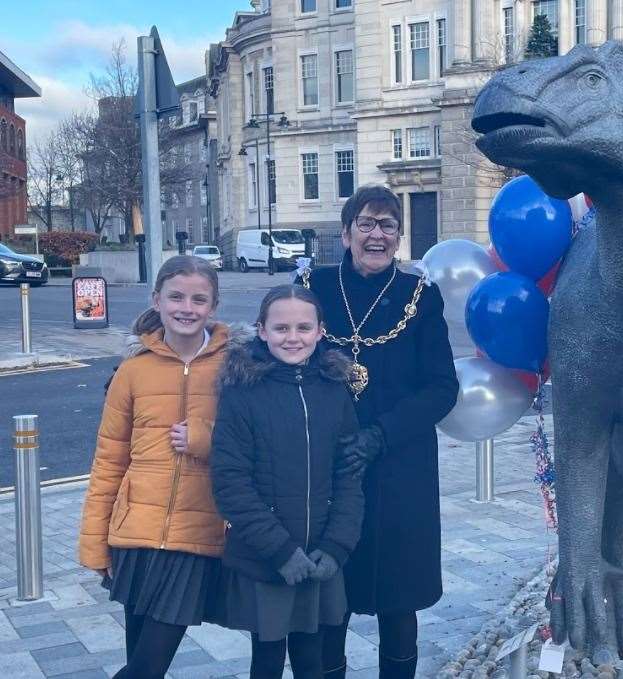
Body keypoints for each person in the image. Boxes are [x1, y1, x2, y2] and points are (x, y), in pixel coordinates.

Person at [302, 184, 459, 679]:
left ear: (398, 235)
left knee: (398, 602)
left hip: (399, 467)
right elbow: (276, 354)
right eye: (366, 224)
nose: (376, 234)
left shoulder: (420, 296)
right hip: (328, 466)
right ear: (346, 234)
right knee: (329, 600)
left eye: (387, 225)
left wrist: (380, 435)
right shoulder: (315, 287)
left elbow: (441, 388)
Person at [78, 255, 250, 679]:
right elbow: (108, 461)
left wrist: (206, 439)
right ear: (156, 299)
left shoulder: (237, 369)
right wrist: (96, 541)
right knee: (142, 663)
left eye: (198, 299)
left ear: (213, 305)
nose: (186, 308)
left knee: (146, 667)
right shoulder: (132, 372)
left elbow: (256, 448)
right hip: (135, 533)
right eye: (175, 297)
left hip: (196, 536)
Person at [210, 285, 364, 679]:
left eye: (302, 327)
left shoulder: (333, 390)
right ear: (261, 331)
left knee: (313, 656)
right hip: (270, 555)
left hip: (320, 553)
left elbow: (348, 474)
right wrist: (279, 550)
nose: (292, 337)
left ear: (320, 331)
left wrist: (336, 546)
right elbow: (231, 482)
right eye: (280, 328)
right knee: (267, 658)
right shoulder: (243, 393)